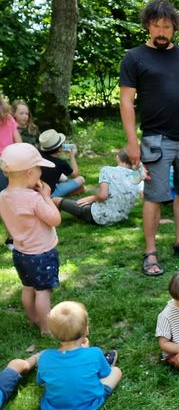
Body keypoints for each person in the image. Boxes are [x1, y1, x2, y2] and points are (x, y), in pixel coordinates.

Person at [119, 0, 179, 276]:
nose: (161, 32)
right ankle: (150, 252)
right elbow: (126, 102)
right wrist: (132, 141)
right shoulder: (134, 57)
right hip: (154, 139)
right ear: (148, 25)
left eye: (167, 27)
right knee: (154, 196)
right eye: (156, 26)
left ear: (174, 28)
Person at [0, 143, 61, 334]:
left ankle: (33, 319)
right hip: (41, 254)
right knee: (43, 292)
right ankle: (46, 328)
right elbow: (55, 219)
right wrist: (46, 197)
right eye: (38, 169)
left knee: (28, 288)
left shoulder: (3, 195)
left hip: (20, 252)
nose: (40, 173)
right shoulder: (33, 198)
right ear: (29, 173)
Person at [37, 301, 122, 410]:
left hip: (53, 409)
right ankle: (101, 365)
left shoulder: (44, 357)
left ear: (53, 334)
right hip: (88, 405)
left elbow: (41, 381)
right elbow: (105, 374)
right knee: (116, 371)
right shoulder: (94, 353)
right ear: (86, 330)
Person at [54, 149, 143, 226]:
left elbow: (103, 196)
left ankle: (53, 223)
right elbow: (145, 196)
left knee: (55, 200)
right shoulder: (138, 177)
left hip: (98, 216)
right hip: (120, 218)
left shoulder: (107, 170)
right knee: (79, 201)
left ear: (117, 158)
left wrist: (91, 198)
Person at [37, 129, 85, 198]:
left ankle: (72, 189)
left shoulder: (38, 155)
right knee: (81, 179)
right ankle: (73, 190)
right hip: (49, 193)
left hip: (37, 188)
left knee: (63, 176)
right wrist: (72, 156)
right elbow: (75, 174)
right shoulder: (60, 163)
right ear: (59, 149)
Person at [0, 96, 23, 193]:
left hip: (8, 161)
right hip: (10, 160)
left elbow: (19, 143)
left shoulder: (8, 119)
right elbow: (20, 144)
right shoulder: (9, 118)